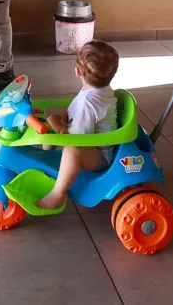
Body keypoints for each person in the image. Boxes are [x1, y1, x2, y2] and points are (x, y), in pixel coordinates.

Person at [36, 40, 120, 209]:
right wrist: (67, 114)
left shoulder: (89, 103)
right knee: (52, 118)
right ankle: (47, 157)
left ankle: (58, 193)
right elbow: (79, 106)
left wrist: (62, 132)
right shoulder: (99, 88)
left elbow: (79, 140)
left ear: (77, 71)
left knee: (71, 151)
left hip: (100, 155)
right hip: (91, 139)